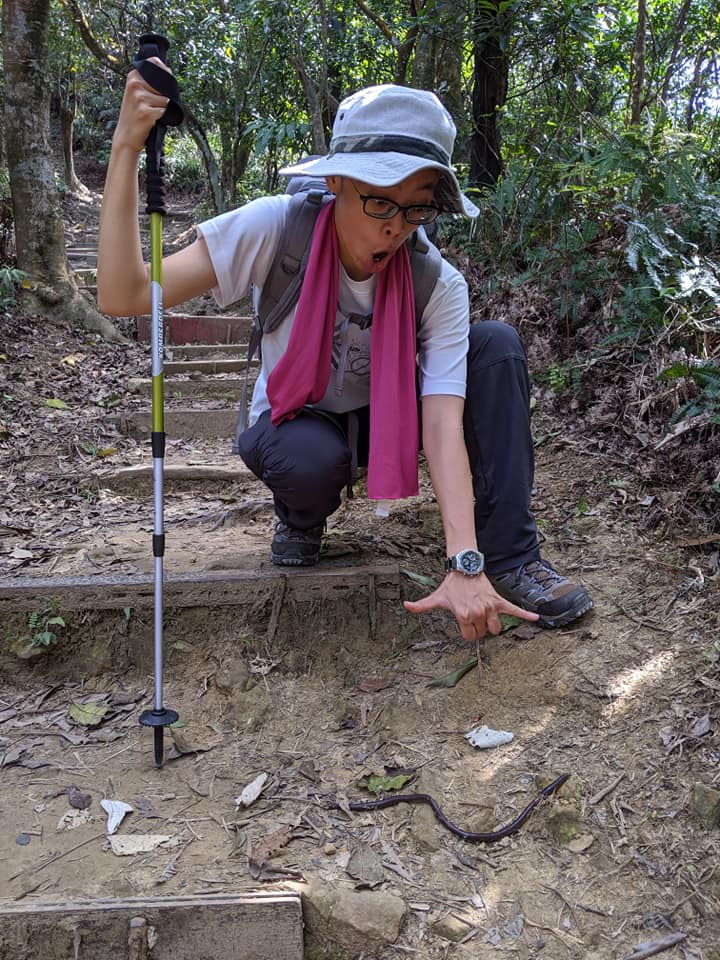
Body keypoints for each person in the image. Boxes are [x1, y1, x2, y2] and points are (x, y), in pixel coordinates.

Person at [98, 66, 594, 644]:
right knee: (310, 461)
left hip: (385, 418)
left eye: (417, 209)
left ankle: (512, 558)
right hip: (295, 418)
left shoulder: (436, 282)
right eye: (381, 203)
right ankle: (301, 519)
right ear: (335, 183)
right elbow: (124, 295)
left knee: (497, 347)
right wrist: (128, 146)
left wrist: (466, 559)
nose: (396, 229)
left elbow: (440, 421)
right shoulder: (277, 228)